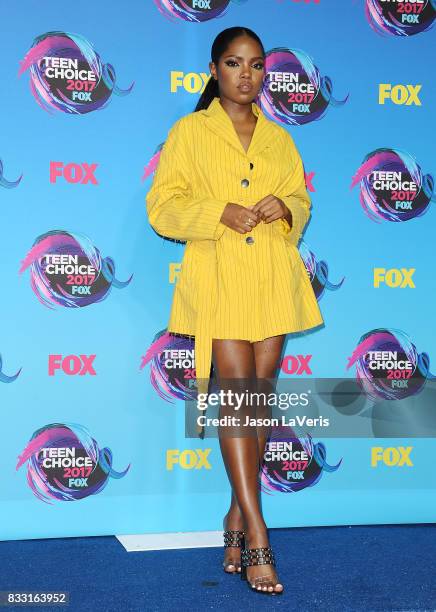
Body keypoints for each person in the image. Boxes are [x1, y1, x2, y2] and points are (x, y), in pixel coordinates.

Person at [146, 26, 324, 595]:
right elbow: (163, 208)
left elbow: (302, 201)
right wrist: (218, 212)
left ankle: (232, 515)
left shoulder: (279, 138)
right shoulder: (189, 132)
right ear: (214, 69)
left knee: (257, 406)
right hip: (219, 280)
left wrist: (284, 207)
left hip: (272, 280)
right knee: (239, 403)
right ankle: (257, 532)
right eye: (233, 63)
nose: (245, 75)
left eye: (255, 65)